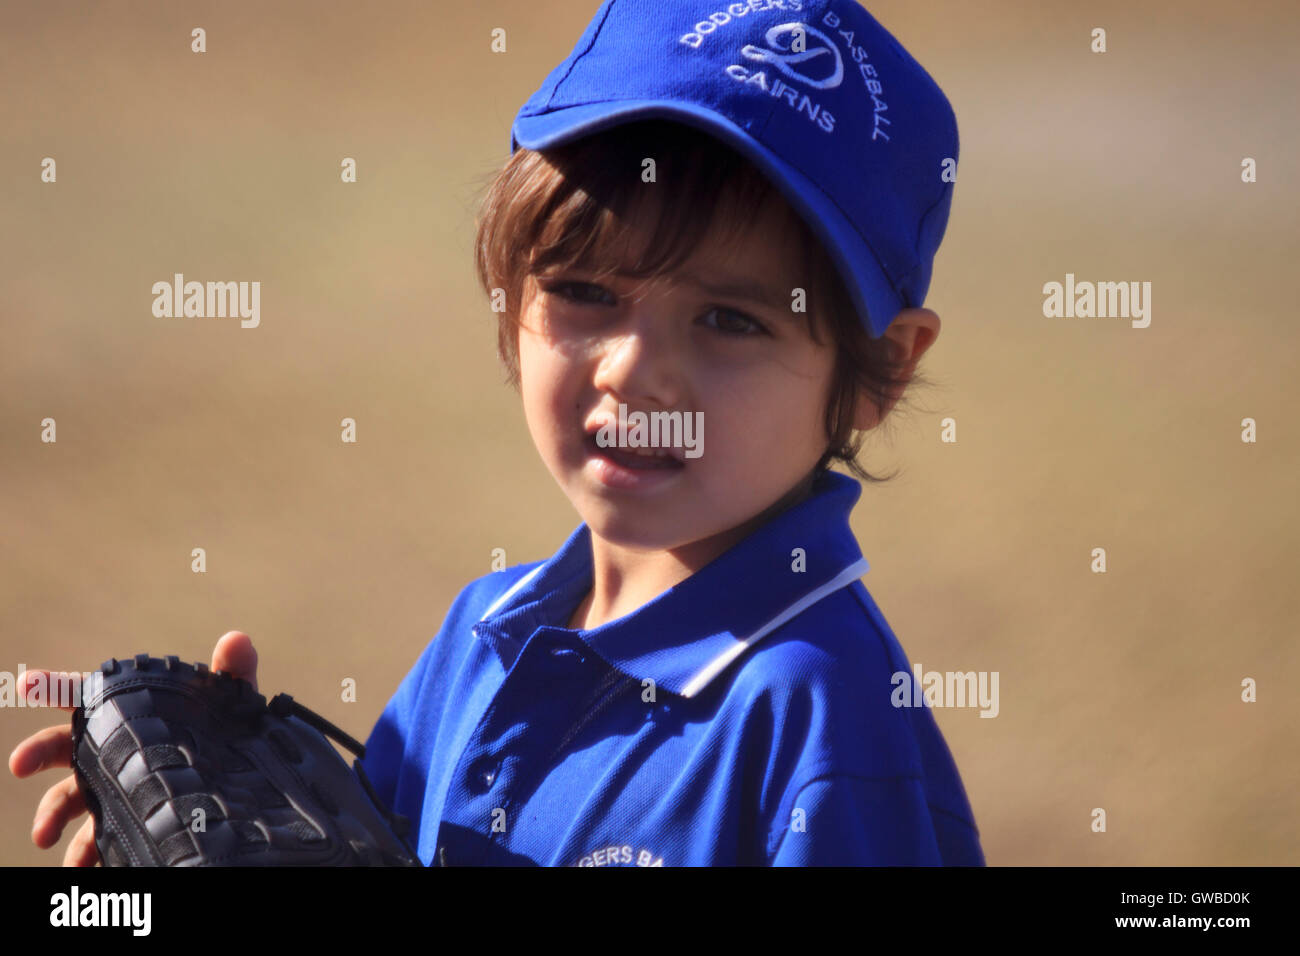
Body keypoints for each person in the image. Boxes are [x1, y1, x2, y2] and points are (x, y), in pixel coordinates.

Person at [11, 0, 983, 865]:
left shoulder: (821, 725)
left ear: (882, 368)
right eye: (585, 291)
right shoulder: (485, 633)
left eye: (731, 319)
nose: (630, 369)